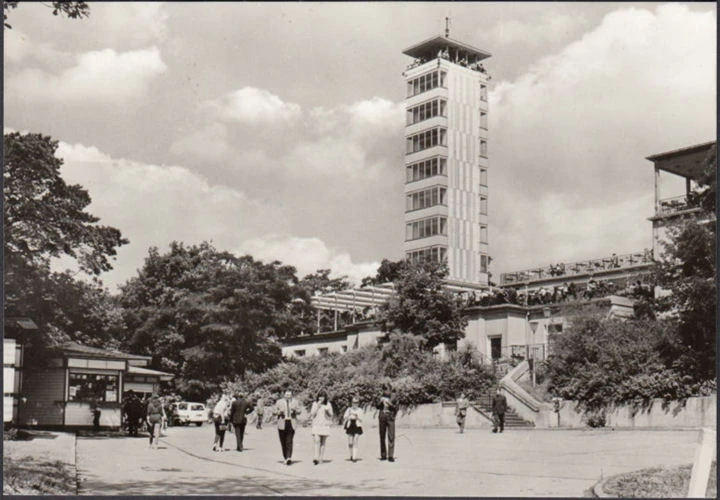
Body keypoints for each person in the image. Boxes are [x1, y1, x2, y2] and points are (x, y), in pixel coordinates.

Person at [274, 390, 299, 465]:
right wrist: (279, 412)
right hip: (282, 422)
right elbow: (274, 412)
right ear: (284, 395)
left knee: (289, 441)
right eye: (287, 395)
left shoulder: (295, 402)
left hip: (291, 422)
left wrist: (295, 411)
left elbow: (299, 410)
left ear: (292, 395)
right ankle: (285, 457)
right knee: (283, 441)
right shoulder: (279, 402)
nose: (288, 396)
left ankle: (289, 458)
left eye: (289, 395)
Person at [310, 391, 334, 465]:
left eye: (323, 397)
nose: (321, 398)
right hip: (316, 424)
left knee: (323, 442)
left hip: (325, 424)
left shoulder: (328, 404)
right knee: (317, 440)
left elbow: (331, 414)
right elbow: (312, 414)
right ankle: (316, 457)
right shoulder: (315, 404)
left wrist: (327, 410)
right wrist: (317, 406)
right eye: (320, 396)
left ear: (325, 397)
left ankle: (321, 458)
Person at [376, 387, 397, 462]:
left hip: (390, 417)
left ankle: (391, 456)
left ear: (390, 390)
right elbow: (377, 406)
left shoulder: (394, 397)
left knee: (391, 436)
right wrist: (380, 402)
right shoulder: (380, 396)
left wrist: (389, 403)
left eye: (387, 389)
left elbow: (396, 408)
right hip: (382, 417)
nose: (385, 391)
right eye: (384, 389)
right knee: (382, 436)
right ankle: (383, 455)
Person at [343, 396, 364, 462]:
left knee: (355, 441)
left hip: (357, 425)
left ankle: (354, 457)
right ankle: (351, 455)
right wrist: (349, 416)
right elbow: (345, 417)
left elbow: (361, 419)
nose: (355, 404)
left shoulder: (360, 410)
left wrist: (357, 417)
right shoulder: (349, 409)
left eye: (356, 403)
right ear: (351, 403)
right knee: (350, 442)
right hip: (350, 425)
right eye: (354, 402)